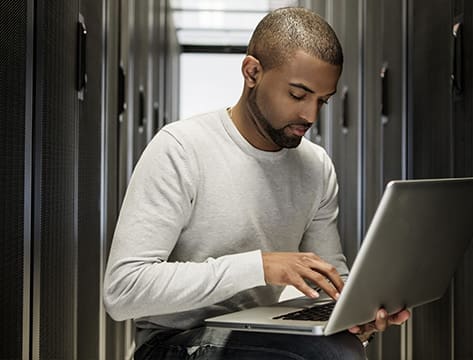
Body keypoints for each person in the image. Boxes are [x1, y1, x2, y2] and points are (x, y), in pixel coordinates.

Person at [103, 7, 409, 359]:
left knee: (343, 348)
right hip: (174, 342)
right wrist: (259, 266)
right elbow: (122, 291)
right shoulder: (181, 149)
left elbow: (329, 276)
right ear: (252, 72)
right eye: (298, 95)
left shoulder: (316, 166)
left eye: (321, 101)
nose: (310, 116)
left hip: (259, 332)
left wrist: (356, 316)